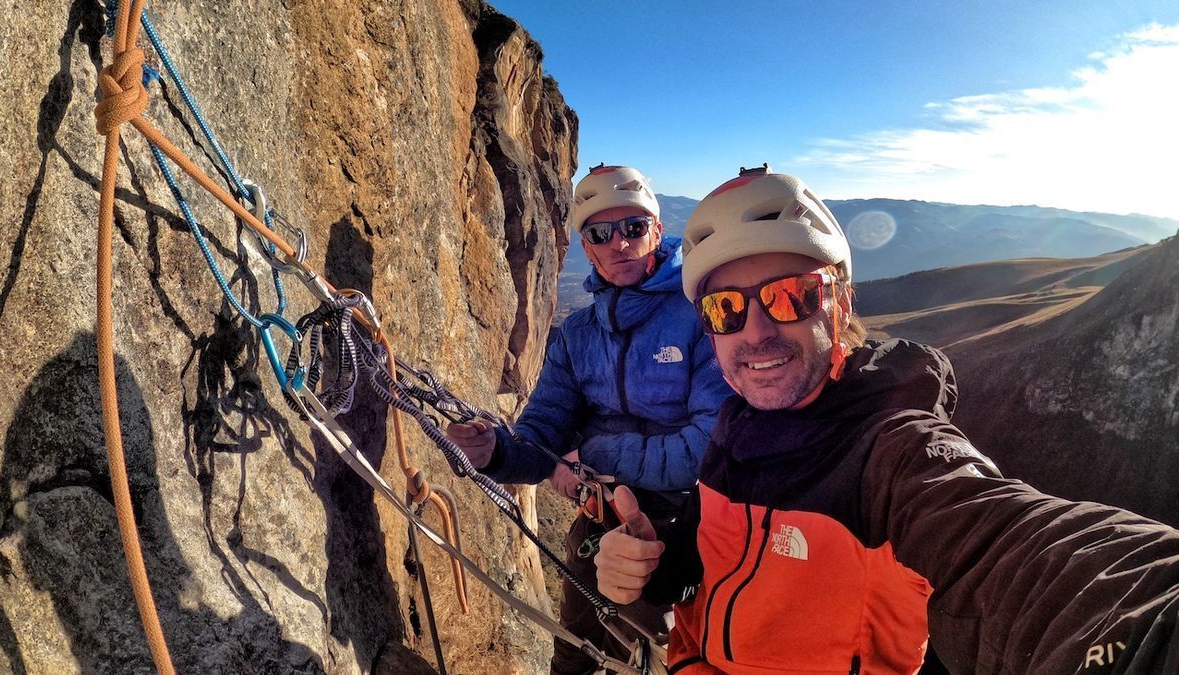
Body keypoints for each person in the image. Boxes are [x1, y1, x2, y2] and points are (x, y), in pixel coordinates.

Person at [594, 166, 1179, 673]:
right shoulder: (736, 423)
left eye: (791, 295)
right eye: (726, 308)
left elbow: (1010, 547)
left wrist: (1150, 630)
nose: (756, 332)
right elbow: (704, 563)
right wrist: (651, 563)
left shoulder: (895, 452)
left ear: (841, 302)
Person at [446, 164, 734, 674]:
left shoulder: (698, 316)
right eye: (602, 233)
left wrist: (595, 455)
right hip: (602, 518)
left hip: (690, 523)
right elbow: (544, 432)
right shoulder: (578, 335)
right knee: (576, 648)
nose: (619, 243)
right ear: (586, 244)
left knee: (677, 654)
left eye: (634, 228)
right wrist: (496, 451)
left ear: (657, 233)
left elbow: (706, 448)